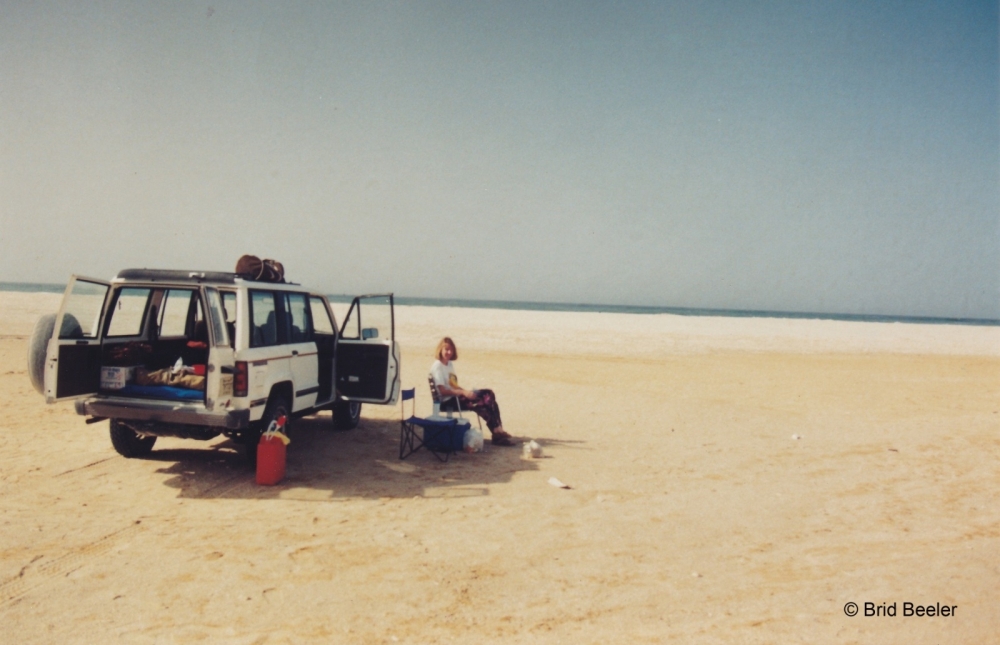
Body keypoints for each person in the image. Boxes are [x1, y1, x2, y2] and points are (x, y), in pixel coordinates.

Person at [430, 337, 516, 446]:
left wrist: (466, 391)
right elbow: (442, 391)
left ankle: (498, 430)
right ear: (440, 350)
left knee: (489, 394)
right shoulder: (438, 366)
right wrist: (463, 393)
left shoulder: (449, 364)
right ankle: (497, 432)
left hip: (456, 396)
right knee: (482, 404)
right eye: (446, 349)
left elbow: (454, 385)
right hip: (448, 401)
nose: (449, 352)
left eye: (451, 350)